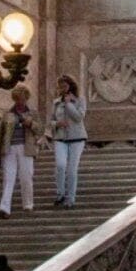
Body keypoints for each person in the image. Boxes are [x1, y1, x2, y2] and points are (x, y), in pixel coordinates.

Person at [0, 87, 38, 215]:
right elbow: (1, 134)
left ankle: (28, 204)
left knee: (26, 176)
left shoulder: (32, 113)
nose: (20, 102)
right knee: (8, 177)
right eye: (17, 99)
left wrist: (31, 124)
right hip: (9, 148)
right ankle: (4, 207)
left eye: (22, 99)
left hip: (26, 147)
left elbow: (40, 130)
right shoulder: (8, 113)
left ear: (26, 98)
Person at [46, 76, 89, 205]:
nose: (62, 89)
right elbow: (50, 121)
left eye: (64, 86)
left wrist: (69, 104)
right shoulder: (56, 102)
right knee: (60, 165)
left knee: (71, 169)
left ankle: (70, 197)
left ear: (70, 86)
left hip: (77, 138)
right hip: (60, 138)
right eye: (60, 87)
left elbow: (79, 117)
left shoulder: (80, 100)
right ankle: (60, 193)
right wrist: (57, 124)